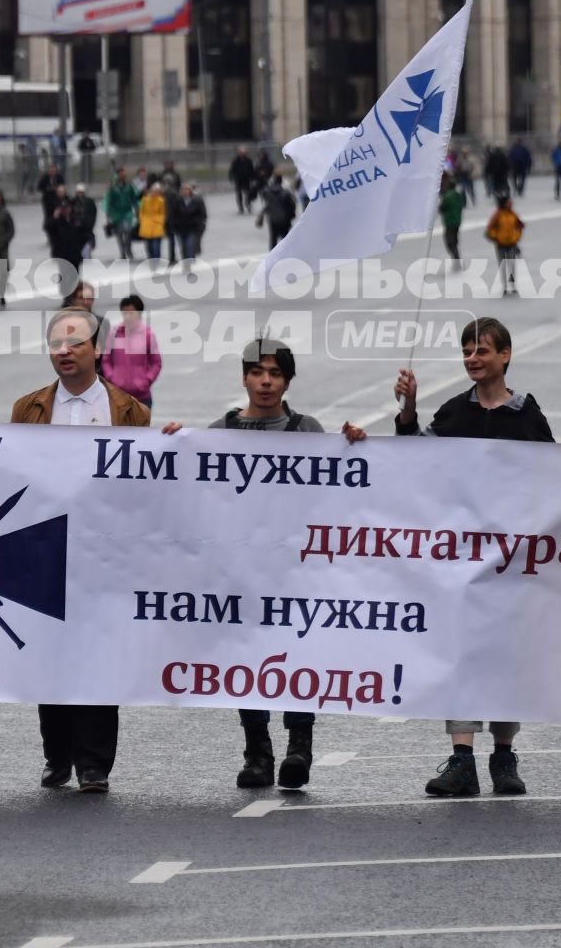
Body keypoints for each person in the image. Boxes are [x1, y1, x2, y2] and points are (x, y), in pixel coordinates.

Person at [378, 318, 561, 797]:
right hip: (461, 561)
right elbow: (416, 466)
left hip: (513, 562)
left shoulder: (526, 418)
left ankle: (504, 757)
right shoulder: (454, 413)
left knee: (507, 656)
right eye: (466, 351)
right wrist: (408, 411)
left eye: (482, 350)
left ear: (505, 356)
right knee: (459, 654)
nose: (472, 358)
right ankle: (462, 760)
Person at [11, 307, 152, 792]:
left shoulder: (129, 411)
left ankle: (94, 762)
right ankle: (57, 753)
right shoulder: (29, 408)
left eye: (75, 343)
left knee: (98, 654)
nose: (64, 352)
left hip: (105, 552)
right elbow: (11, 471)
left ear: (98, 349)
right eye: (56, 343)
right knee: (51, 652)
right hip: (45, 548)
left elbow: (144, 482)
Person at [207, 338, 347, 790]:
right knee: (247, 657)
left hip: (294, 569)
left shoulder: (307, 430)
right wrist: (174, 446)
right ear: (244, 377)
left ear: (287, 380)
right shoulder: (220, 430)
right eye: (256, 372)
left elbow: (338, 489)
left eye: (275, 373)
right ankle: (257, 751)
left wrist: (355, 447)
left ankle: (299, 747)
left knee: (297, 652)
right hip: (240, 571)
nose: (265, 381)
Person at [102, 294, 162, 408]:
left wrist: (146, 380)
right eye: (125, 312)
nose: (128, 316)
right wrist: (112, 378)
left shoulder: (148, 334)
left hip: (142, 397)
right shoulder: (114, 333)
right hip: (118, 395)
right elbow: (106, 360)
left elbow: (156, 362)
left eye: (131, 312)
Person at [485, 195, 524, 296]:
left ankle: (513, 285)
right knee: (502, 265)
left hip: (512, 243)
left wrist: (517, 237)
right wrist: (496, 237)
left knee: (511, 264)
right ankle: (505, 286)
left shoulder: (513, 214)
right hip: (500, 244)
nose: (511, 204)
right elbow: (490, 228)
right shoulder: (498, 215)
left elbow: (520, 226)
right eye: (509, 202)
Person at [104, 168, 139, 261]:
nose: (123, 176)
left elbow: (134, 198)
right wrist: (108, 214)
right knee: (119, 234)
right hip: (116, 214)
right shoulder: (113, 188)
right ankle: (122, 252)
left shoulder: (129, 186)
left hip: (127, 213)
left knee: (128, 232)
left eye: (124, 174)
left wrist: (136, 209)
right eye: (121, 174)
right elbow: (109, 201)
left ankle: (128, 249)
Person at [257, 169, 297, 250]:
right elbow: (292, 205)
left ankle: (272, 257)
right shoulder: (286, 192)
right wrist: (291, 215)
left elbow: (262, 193)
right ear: (281, 180)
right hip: (284, 219)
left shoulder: (267, 191)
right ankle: (285, 256)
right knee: (286, 240)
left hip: (273, 219)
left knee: (273, 239)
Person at [173, 183, 208, 262]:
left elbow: (203, 214)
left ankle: (189, 260)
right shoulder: (178, 200)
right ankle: (186, 260)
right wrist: (175, 224)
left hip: (192, 228)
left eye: (187, 190)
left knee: (190, 245)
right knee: (183, 246)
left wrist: (199, 222)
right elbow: (173, 213)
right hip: (180, 228)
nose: (185, 191)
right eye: (184, 190)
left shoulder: (197, 200)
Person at [438, 174, 465, 266]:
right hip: (457, 221)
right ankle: (457, 259)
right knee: (455, 241)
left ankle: (456, 260)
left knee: (450, 242)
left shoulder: (447, 196)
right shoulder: (458, 195)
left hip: (449, 222)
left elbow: (441, 208)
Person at [137, 182, 168, 261]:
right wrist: (142, 220)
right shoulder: (145, 200)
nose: (156, 193)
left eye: (158, 191)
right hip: (146, 225)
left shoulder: (161, 201)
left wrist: (160, 221)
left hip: (157, 225)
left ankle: (156, 260)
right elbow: (141, 211)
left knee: (156, 245)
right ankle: (151, 259)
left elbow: (163, 213)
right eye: (155, 191)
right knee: (149, 245)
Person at [229, 147, 258, 213]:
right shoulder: (235, 161)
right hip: (238, 180)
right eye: (241, 153)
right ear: (239, 153)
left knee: (247, 193)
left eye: (243, 153)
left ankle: (248, 204)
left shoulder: (248, 160)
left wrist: (253, 178)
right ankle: (241, 207)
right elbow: (232, 170)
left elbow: (252, 170)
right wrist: (231, 178)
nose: (242, 154)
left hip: (246, 180)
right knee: (239, 194)